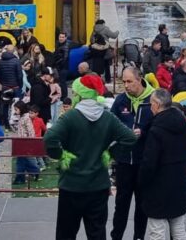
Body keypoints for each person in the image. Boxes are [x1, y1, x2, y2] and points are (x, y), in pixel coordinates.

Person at [44, 74, 137, 240]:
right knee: (96, 232)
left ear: (79, 94)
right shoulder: (108, 118)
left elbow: (50, 138)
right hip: (98, 185)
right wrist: (110, 153)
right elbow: (130, 138)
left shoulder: (70, 117)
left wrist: (60, 154)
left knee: (66, 233)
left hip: (71, 184)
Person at [138, 89, 186, 240]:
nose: (150, 107)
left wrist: (141, 181)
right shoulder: (185, 127)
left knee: (156, 230)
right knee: (178, 227)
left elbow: (149, 163)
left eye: (151, 104)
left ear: (157, 105)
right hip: (179, 184)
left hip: (158, 186)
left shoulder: (156, 130)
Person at [110, 68, 155, 240]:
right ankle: (117, 236)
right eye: (124, 82)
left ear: (140, 80)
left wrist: (143, 132)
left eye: (129, 81)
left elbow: (159, 126)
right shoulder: (121, 100)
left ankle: (139, 237)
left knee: (142, 204)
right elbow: (111, 124)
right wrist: (125, 133)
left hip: (144, 161)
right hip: (124, 161)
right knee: (121, 203)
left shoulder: (153, 99)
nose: (126, 86)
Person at [12, 101, 41, 184]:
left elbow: (31, 131)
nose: (15, 111)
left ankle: (30, 173)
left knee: (24, 160)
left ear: (21, 109)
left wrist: (31, 142)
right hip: (21, 142)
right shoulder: (22, 117)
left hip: (25, 142)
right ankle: (23, 176)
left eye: (16, 109)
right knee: (22, 160)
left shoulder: (26, 118)